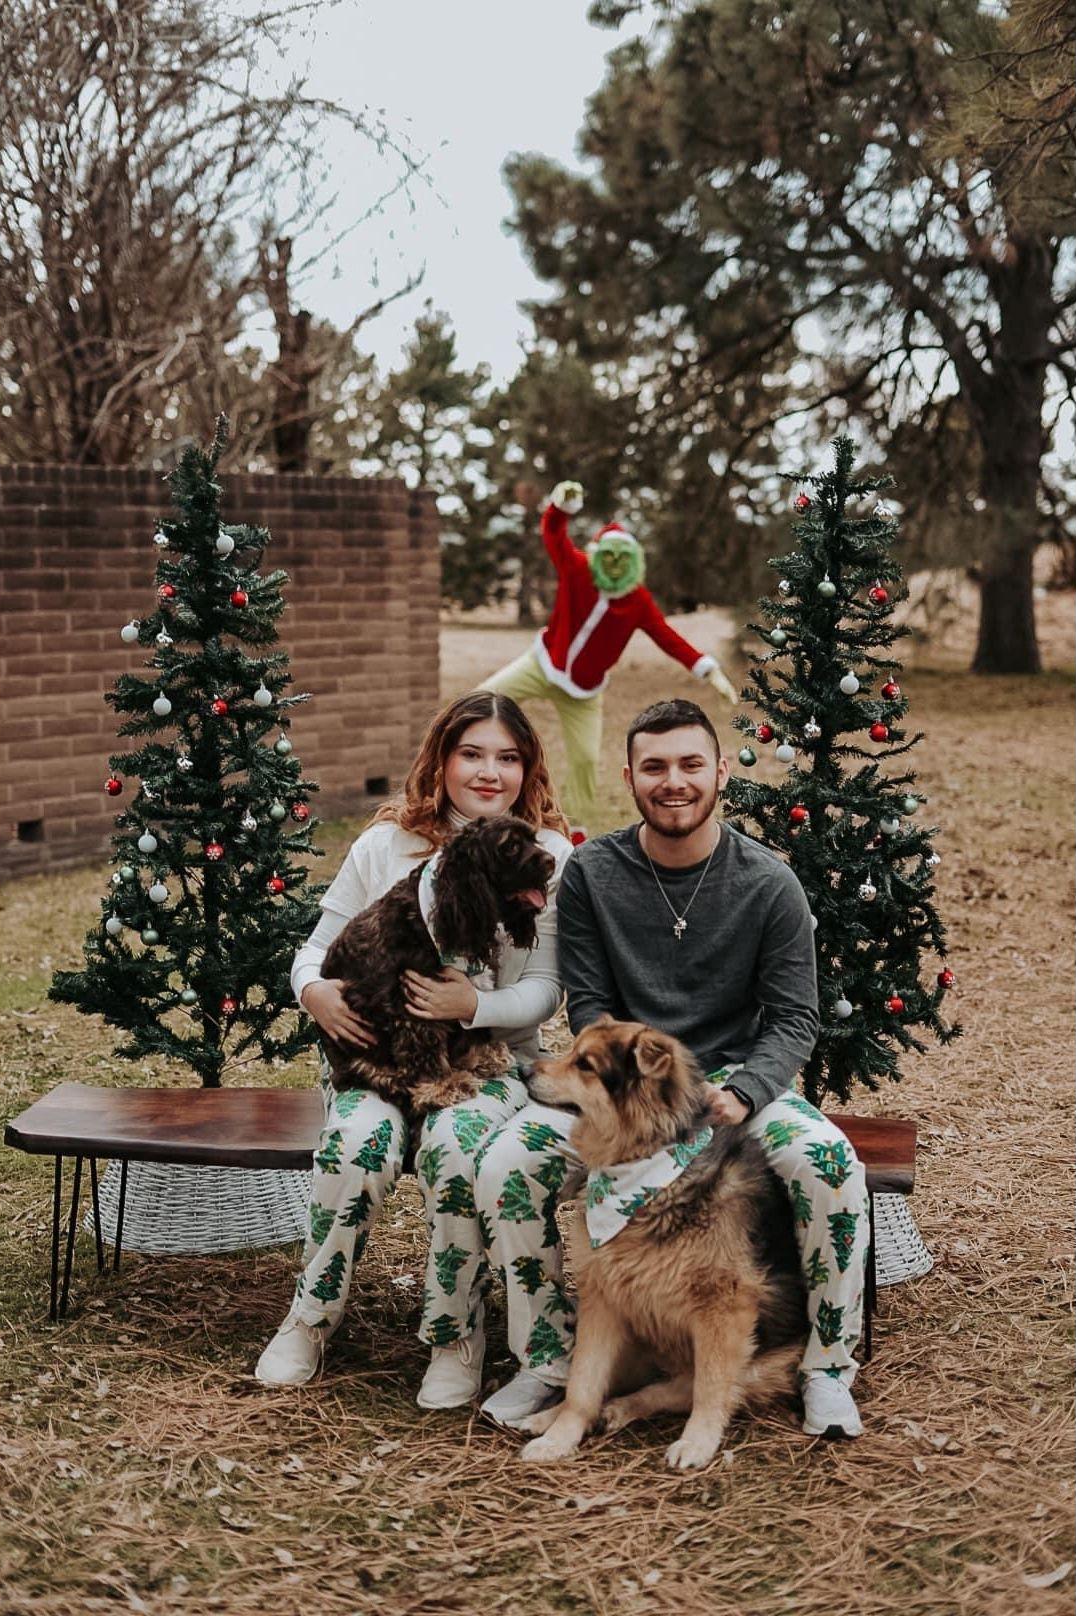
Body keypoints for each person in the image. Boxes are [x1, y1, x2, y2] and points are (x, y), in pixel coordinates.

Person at [473, 698, 870, 1439]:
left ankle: (827, 1365)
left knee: (826, 1161)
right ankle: (550, 1362)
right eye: (654, 767)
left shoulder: (768, 883)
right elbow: (588, 1000)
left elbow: (795, 1018)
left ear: (720, 772)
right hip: (624, 1087)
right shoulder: (594, 872)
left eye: (691, 764)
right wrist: (637, 1092)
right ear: (630, 777)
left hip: (731, 1082)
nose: (673, 782)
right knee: (505, 1165)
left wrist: (746, 1091)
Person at [254, 692, 574, 1408]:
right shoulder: (386, 845)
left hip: (487, 1063)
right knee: (358, 1144)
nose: (489, 772)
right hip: (377, 1056)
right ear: (442, 759)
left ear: (528, 769)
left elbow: (548, 989)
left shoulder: (546, 858)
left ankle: (455, 1337)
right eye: (472, 753)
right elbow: (311, 951)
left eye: (508, 757)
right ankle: (309, 1317)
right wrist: (315, 992)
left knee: (459, 1148)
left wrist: (477, 1005)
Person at [480, 480, 738, 841]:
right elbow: (553, 535)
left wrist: (708, 669)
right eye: (609, 557)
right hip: (542, 665)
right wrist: (560, 506)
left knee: (586, 759)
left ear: (634, 562)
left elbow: (668, 637)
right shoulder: (578, 569)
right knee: (477, 703)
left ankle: (577, 832)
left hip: (584, 692)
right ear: (598, 555)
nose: (615, 565)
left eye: (623, 559)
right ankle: (449, 792)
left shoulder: (637, 599)